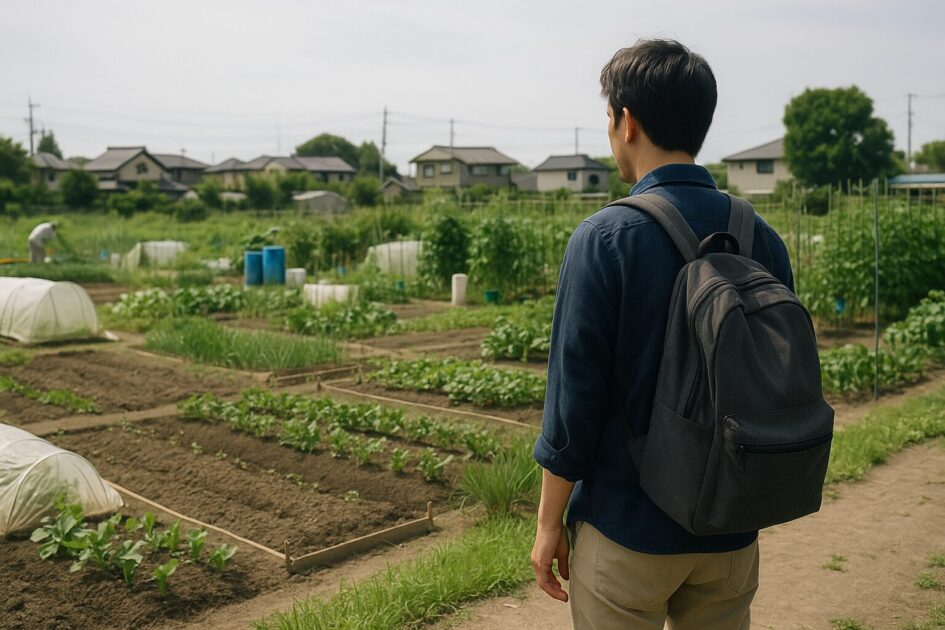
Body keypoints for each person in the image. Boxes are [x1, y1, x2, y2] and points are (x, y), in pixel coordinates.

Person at [531, 39, 794, 629]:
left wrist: (550, 525)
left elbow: (573, 402)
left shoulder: (604, 239)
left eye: (607, 117)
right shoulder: (762, 238)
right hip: (731, 527)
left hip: (628, 533)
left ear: (627, 122)